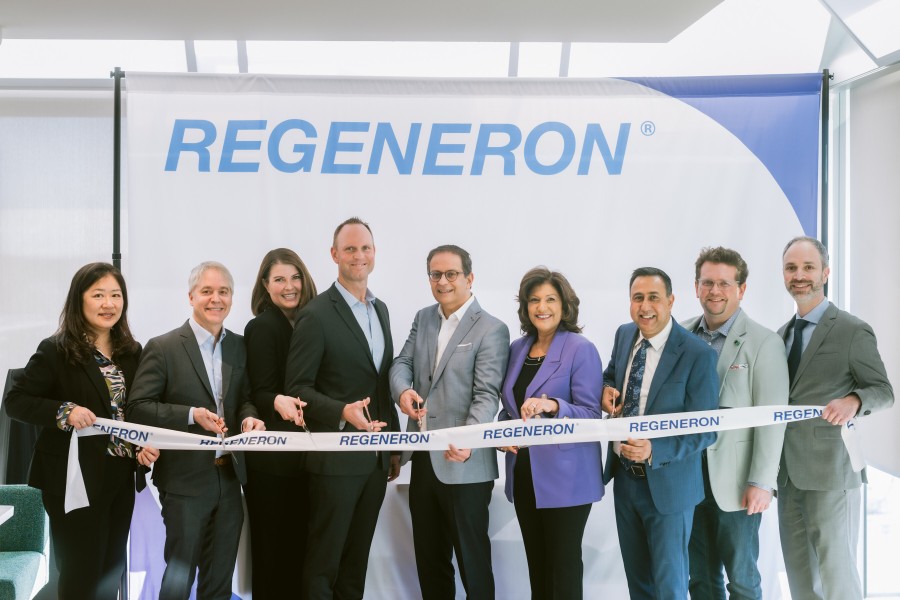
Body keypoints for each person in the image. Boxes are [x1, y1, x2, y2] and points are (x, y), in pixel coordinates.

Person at [5, 262, 159, 599]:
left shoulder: (133, 353)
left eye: (116, 295)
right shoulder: (56, 350)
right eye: (99, 294)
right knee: (80, 572)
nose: (109, 303)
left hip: (120, 474)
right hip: (71, 479)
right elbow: (15, 402)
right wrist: (64, 411)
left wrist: (143, 447)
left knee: (111, 569)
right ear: (80, 300)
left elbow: (136, 413)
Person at [126, 261, 264, 600]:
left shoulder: (239, 346)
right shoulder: (164, 347)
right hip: (184, 482)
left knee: (219, 583)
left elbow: (244, 398)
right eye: (207, 291)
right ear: (190, 296)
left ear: (232, 297)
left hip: (230, 479)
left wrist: (249, 417)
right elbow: (137, 407)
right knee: (178, 578)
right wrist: (190, 414)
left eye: (223, 292)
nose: (215, 299)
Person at [285, 217, 400, 600]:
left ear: (375, 253)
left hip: (375, 461)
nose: (358, 255)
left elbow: (381, 380)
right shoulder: (315, 315)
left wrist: (394, 446)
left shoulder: (380, 309)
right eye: (350, 249)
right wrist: (340, 411)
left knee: (355, 564)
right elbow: (297, 388)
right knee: (324, 564)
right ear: (334, 255)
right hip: (334, 461)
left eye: (365, 248)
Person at [389, 244, 509, 600]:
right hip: (424, 458)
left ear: (469, 278)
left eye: (451, 274)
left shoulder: (492, 329)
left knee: (473, 563)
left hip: (465, 463)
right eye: (435, 274)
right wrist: (403, 393)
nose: (443, 281)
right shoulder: (423, 317)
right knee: (429, 561)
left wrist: (469, 439)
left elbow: (487, 394)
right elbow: (401, 363)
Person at [777, 236, 893, 600]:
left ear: (825, 273)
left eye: (808, 267)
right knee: (800, 581)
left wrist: (855, 400)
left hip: (831, 475)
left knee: (837, 579)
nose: (800, 276)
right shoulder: (780, 336)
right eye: (792, 268)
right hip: (787, 476)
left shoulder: (851, 330)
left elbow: (883, 391)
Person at [601, 266, 718, 600]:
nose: (645, 306)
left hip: (669, 488)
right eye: (638, 298)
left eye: (654, 297)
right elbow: (610, 376)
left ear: (671, 301)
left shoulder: (697, 355)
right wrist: (605, 390)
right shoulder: (625, 335)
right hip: (625, 482)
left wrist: (655, 450)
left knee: (670, 587)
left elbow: (706, 431)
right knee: (638, 584)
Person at [681, 247, 788, 600]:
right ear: (696, 287)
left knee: (741, 579)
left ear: (741, 289)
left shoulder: (764, 343)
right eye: (707, 282)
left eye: (724, 283)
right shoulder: (680, 336)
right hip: (687, 478)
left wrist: (762, 481)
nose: (715, 291)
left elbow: (773, 420)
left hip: (738, 482)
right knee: (700, 579)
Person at [497, 267, 604, 599]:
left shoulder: (579, 349)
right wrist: (503, 431)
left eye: (550, 299)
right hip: (525, 473)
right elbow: (511, 409)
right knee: (538, 566)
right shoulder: (517, 348)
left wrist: (554, 406)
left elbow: (591, 413)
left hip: (567, 479)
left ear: (564, 304)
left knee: (563, 566)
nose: (541, 307)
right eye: (534, 300)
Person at [243, 248, 317, 599]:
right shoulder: (261, 327)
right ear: (265, 285)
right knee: (273, 556)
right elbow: (258, 390)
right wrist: (276, 401)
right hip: (273, 464)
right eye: (279, 279)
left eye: (295, 276)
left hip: (310, 460)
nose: (289, 286)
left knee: (304, 555)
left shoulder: (313, 322)